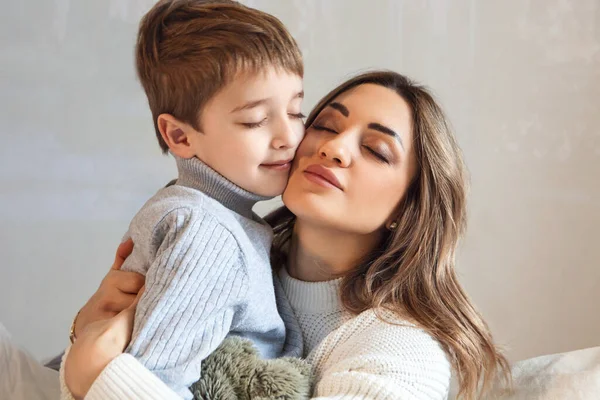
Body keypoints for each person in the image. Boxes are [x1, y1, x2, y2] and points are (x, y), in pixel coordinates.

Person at [65, 71, 511, 400]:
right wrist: (89, 333)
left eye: (376, 150)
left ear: (407, 209)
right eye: (325, 125)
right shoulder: (211, 257)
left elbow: (99, 380)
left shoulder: (401, 350)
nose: (332, 148)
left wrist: (101, 376)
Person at [60, 0, 307, 398]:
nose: (288, 137)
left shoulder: (189, 206)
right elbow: (152, 382)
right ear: (180, 136)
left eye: (296, 111)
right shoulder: (208, 233)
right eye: (255, 120)